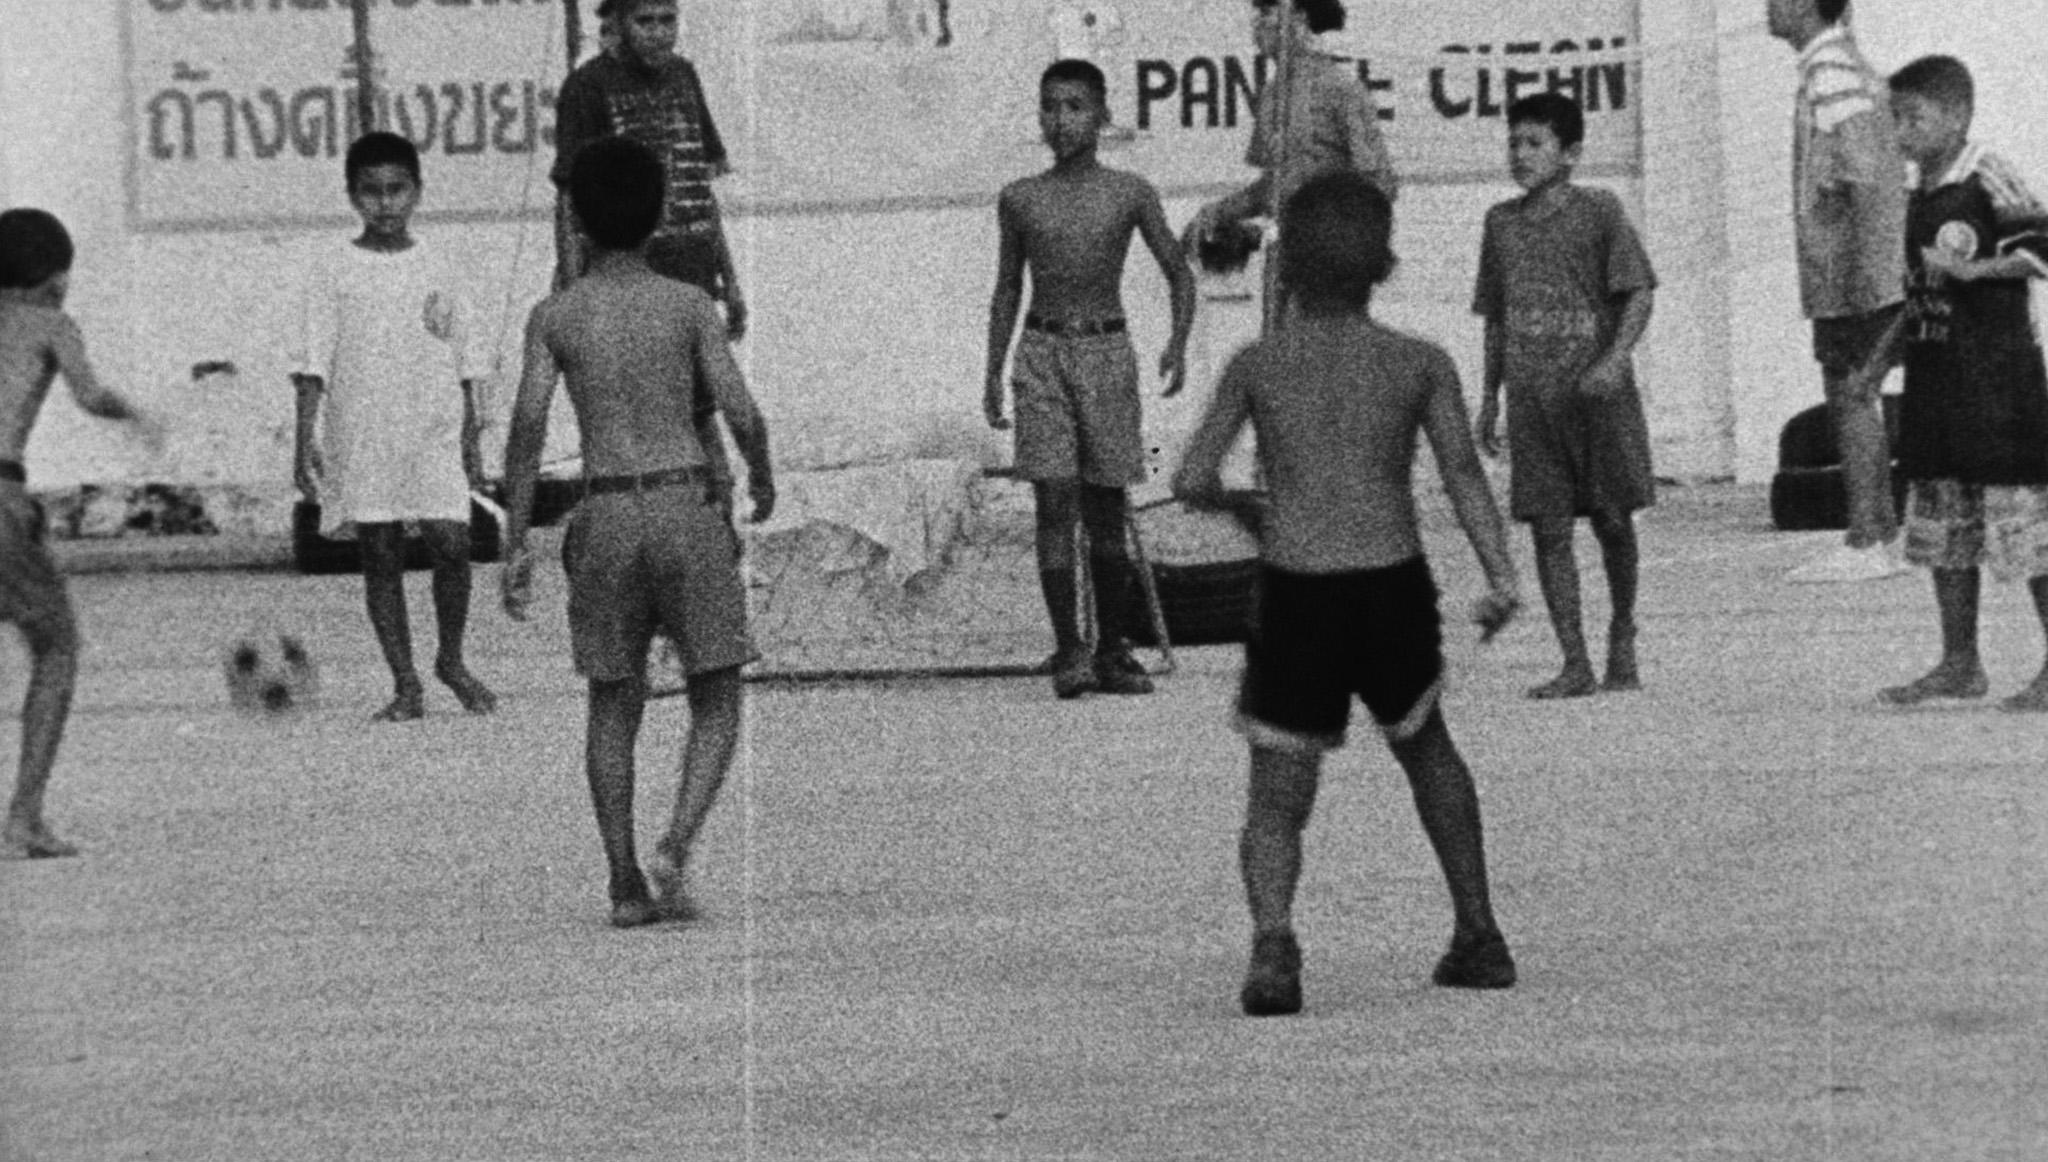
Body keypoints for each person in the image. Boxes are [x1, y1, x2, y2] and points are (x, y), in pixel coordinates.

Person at [1173, 171, 1523, 1017]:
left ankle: (1274, 944)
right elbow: (1464, 474)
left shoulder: (1259, 364)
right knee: (1428, 752)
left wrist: (1254, 513)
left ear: (1287, 268)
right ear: (1385, 266)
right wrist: (1501, 574)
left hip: (1298, 591)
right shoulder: (1418, 363)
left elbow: (1191, 478)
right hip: (1391, 584)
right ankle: (1478, 933)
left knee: (1277, 791)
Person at [500, 135, 776, 929]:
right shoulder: (687, 306)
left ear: (576, 222)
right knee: (716, 693)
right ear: (658, 217)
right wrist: (760, 474)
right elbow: (739, 408)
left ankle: (623, 881)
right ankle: (676, 842)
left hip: (609, 509)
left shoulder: (555, 316)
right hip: (684, 501)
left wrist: (516, 538)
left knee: (612, 704)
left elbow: (527, 426)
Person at [985, 59, 1196, 698]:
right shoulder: (1020, 197)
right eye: (1050, 106)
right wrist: (992, 371)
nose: (1061, 120)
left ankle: (1113, 648)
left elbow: (1178, 271)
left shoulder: (1129, 192)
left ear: (1102, 115)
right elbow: (1007, 288)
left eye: (1076, 106)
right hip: (1042, 351)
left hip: (1107, 352)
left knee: (1106, 506)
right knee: (1053, 501)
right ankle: (1069, 649)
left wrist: (1178, 343)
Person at [291, 131, 498, 723]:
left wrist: (473, 431)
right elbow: (311, 361)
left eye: (397, 189)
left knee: (452, 543)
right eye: (371, 191)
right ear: (352, 195)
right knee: (380, 553)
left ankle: (450, 659)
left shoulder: (441, 262)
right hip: (363, 427)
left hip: (431, 424)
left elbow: (469, 354)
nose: (385, 203)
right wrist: (303, 440)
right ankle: (406, 682)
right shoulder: (332, 268)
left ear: (418, 191)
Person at [1472, 93, 1658, 699]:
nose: (1520, 155)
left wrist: (1615, 358)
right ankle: (1573, 660)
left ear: (1571, 153)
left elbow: (1638, 294)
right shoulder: (1500, 223)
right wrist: (1489, 397)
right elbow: (1495, 318)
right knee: (1548, 530)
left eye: (1535, 143)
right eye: (1514, 143)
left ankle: (1622, 631)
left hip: (1598, 398)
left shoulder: (1600, 210)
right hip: (1533, 403)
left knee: (1612, 520)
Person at [1878, 55, 2048, 711]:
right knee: (1944, 524)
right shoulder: (1916, 194)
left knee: (2027, 530)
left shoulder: (1988, 174)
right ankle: (1959, 663)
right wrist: (1879, 362)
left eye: (1912, 117)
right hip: (1936, 383)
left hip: (2000, 385)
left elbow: (2041, 248)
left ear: (1956, 115)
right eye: (1894, 118)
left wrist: (1976, 272)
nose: (1900, 131)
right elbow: (1920, 290)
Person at [1, 208, 163, 858]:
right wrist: (141, 417)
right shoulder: (52, 322)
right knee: (56, 648)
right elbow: (91, 396)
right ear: (58, 279)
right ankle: (24, 819)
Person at [551, 0, 743, 517]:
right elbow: (569, 196)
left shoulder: (684, 77)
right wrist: (573, 288)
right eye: (645, 21)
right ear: (617, 23)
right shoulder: (587, 88)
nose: (659, 33)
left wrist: (729, 278)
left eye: (668, 20)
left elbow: (700, 184)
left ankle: (719, 526)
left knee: (703, 405)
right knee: (636, 412)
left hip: (692, 270)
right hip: (626, 272)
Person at [1768, 0, 1913, 583]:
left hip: (1856, 271)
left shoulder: (1831, 74)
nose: (1767, 6)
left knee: (1851, 393)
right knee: (1850, 393)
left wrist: (1868, 280)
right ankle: (1881, 534)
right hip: (1852, 268)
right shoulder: (1832, 67)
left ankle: (1867, 538)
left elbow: (1867, 177)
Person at [1184, 0, 1397, 316]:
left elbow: (1380, 183)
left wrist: (1336, 234)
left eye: (1267, 12)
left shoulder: (1341, 87)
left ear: (1297, 18)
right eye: (1256, 14)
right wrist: (1218, 212)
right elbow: (1275, 184)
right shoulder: (1272, 94)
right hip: (1285, 258)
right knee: (1279, 338)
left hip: (1330, 264)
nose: (1257, 24)